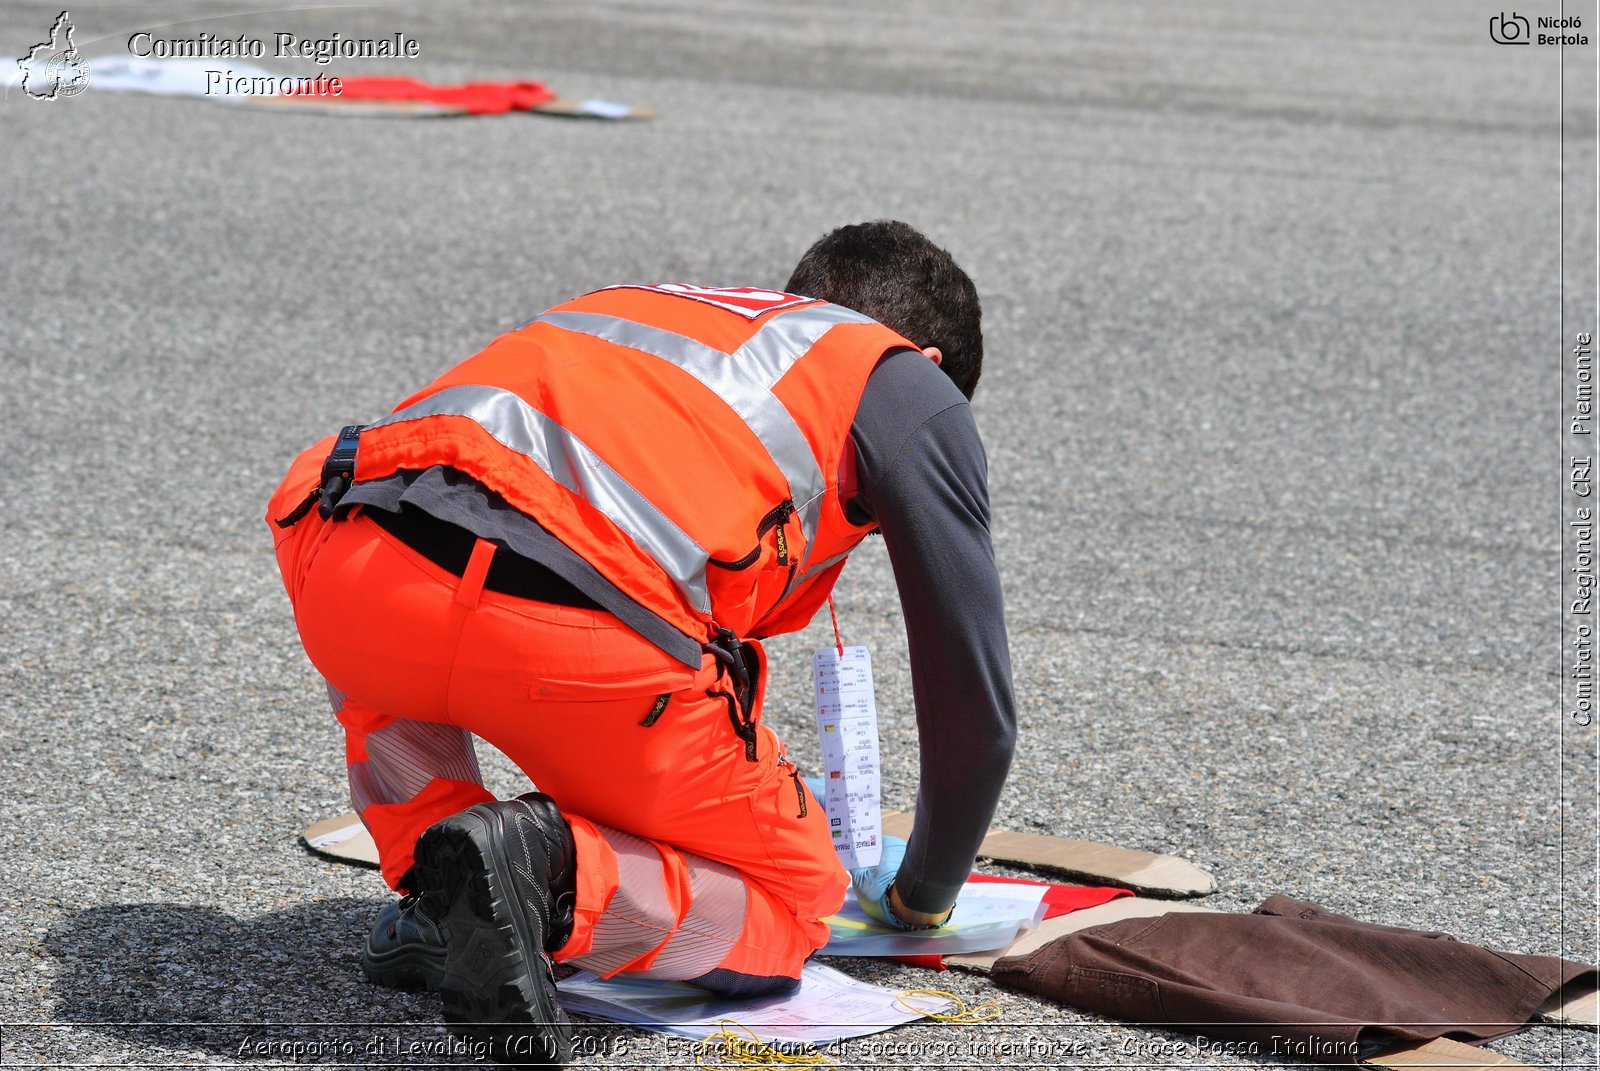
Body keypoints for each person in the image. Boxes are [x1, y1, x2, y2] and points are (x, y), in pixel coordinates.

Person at [266, 220, 1017, 1065]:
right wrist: (923, 896)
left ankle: (432, 898)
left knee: (395, 660)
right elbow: (974, 714)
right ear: (929, 361)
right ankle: (550, 880)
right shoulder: (904, 384)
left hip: (347, 560)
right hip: (570, 634)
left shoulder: (651, 312)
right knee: (795, 903)